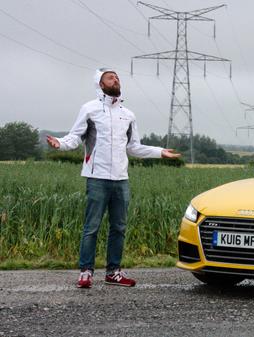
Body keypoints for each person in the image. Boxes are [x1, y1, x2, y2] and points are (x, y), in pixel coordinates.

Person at [47, 68, 180, 288]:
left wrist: (159, 152)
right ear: (100, 84)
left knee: (119, 227)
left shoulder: (128, 114)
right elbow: (75, 137)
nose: (115, 79)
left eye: (117, 77)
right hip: (96, 177)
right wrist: (59, 143)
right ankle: (86, 272)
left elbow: (134, 147)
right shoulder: (89, 109)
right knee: (92, 227)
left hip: (121, 179)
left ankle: (114, 272)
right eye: (110, 77)